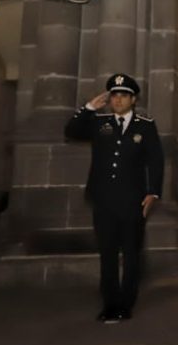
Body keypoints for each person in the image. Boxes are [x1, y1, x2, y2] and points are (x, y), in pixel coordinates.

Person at [64, 73, 165, 323]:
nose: (118, 100)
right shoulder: (99, 123)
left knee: (131, 253)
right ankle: (110, 304)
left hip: (133, 200)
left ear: (133, 99)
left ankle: (125, 303)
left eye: (124, 96)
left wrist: (153, 192)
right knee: (107, 253)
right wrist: (89, 108)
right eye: (114, 95)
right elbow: (71, 131)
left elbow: (156, 160)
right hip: (103, 199)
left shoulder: (145, 125)